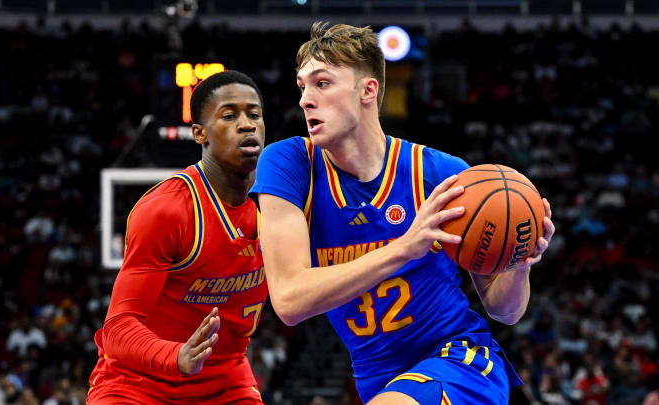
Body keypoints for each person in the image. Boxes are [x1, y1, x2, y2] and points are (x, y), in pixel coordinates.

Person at [251, 22, 555, 405]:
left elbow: (504, 310)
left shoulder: (441, 175)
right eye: (303, 86)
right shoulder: (288, 164)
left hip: (458, 360)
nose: (305, 99)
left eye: (322, 83)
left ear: (368, 90)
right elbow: (290, 301)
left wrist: (519, 262)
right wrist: (404, 248)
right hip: (376, 378)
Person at [87, 70, 268, 404]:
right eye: (229, 116)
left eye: (254, 114)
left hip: (224, 382)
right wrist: (177, 357)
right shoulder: (168, 210)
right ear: (199, 133)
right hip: (138, 383)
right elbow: (117, 329)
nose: (247, 124)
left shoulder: (279, 205)